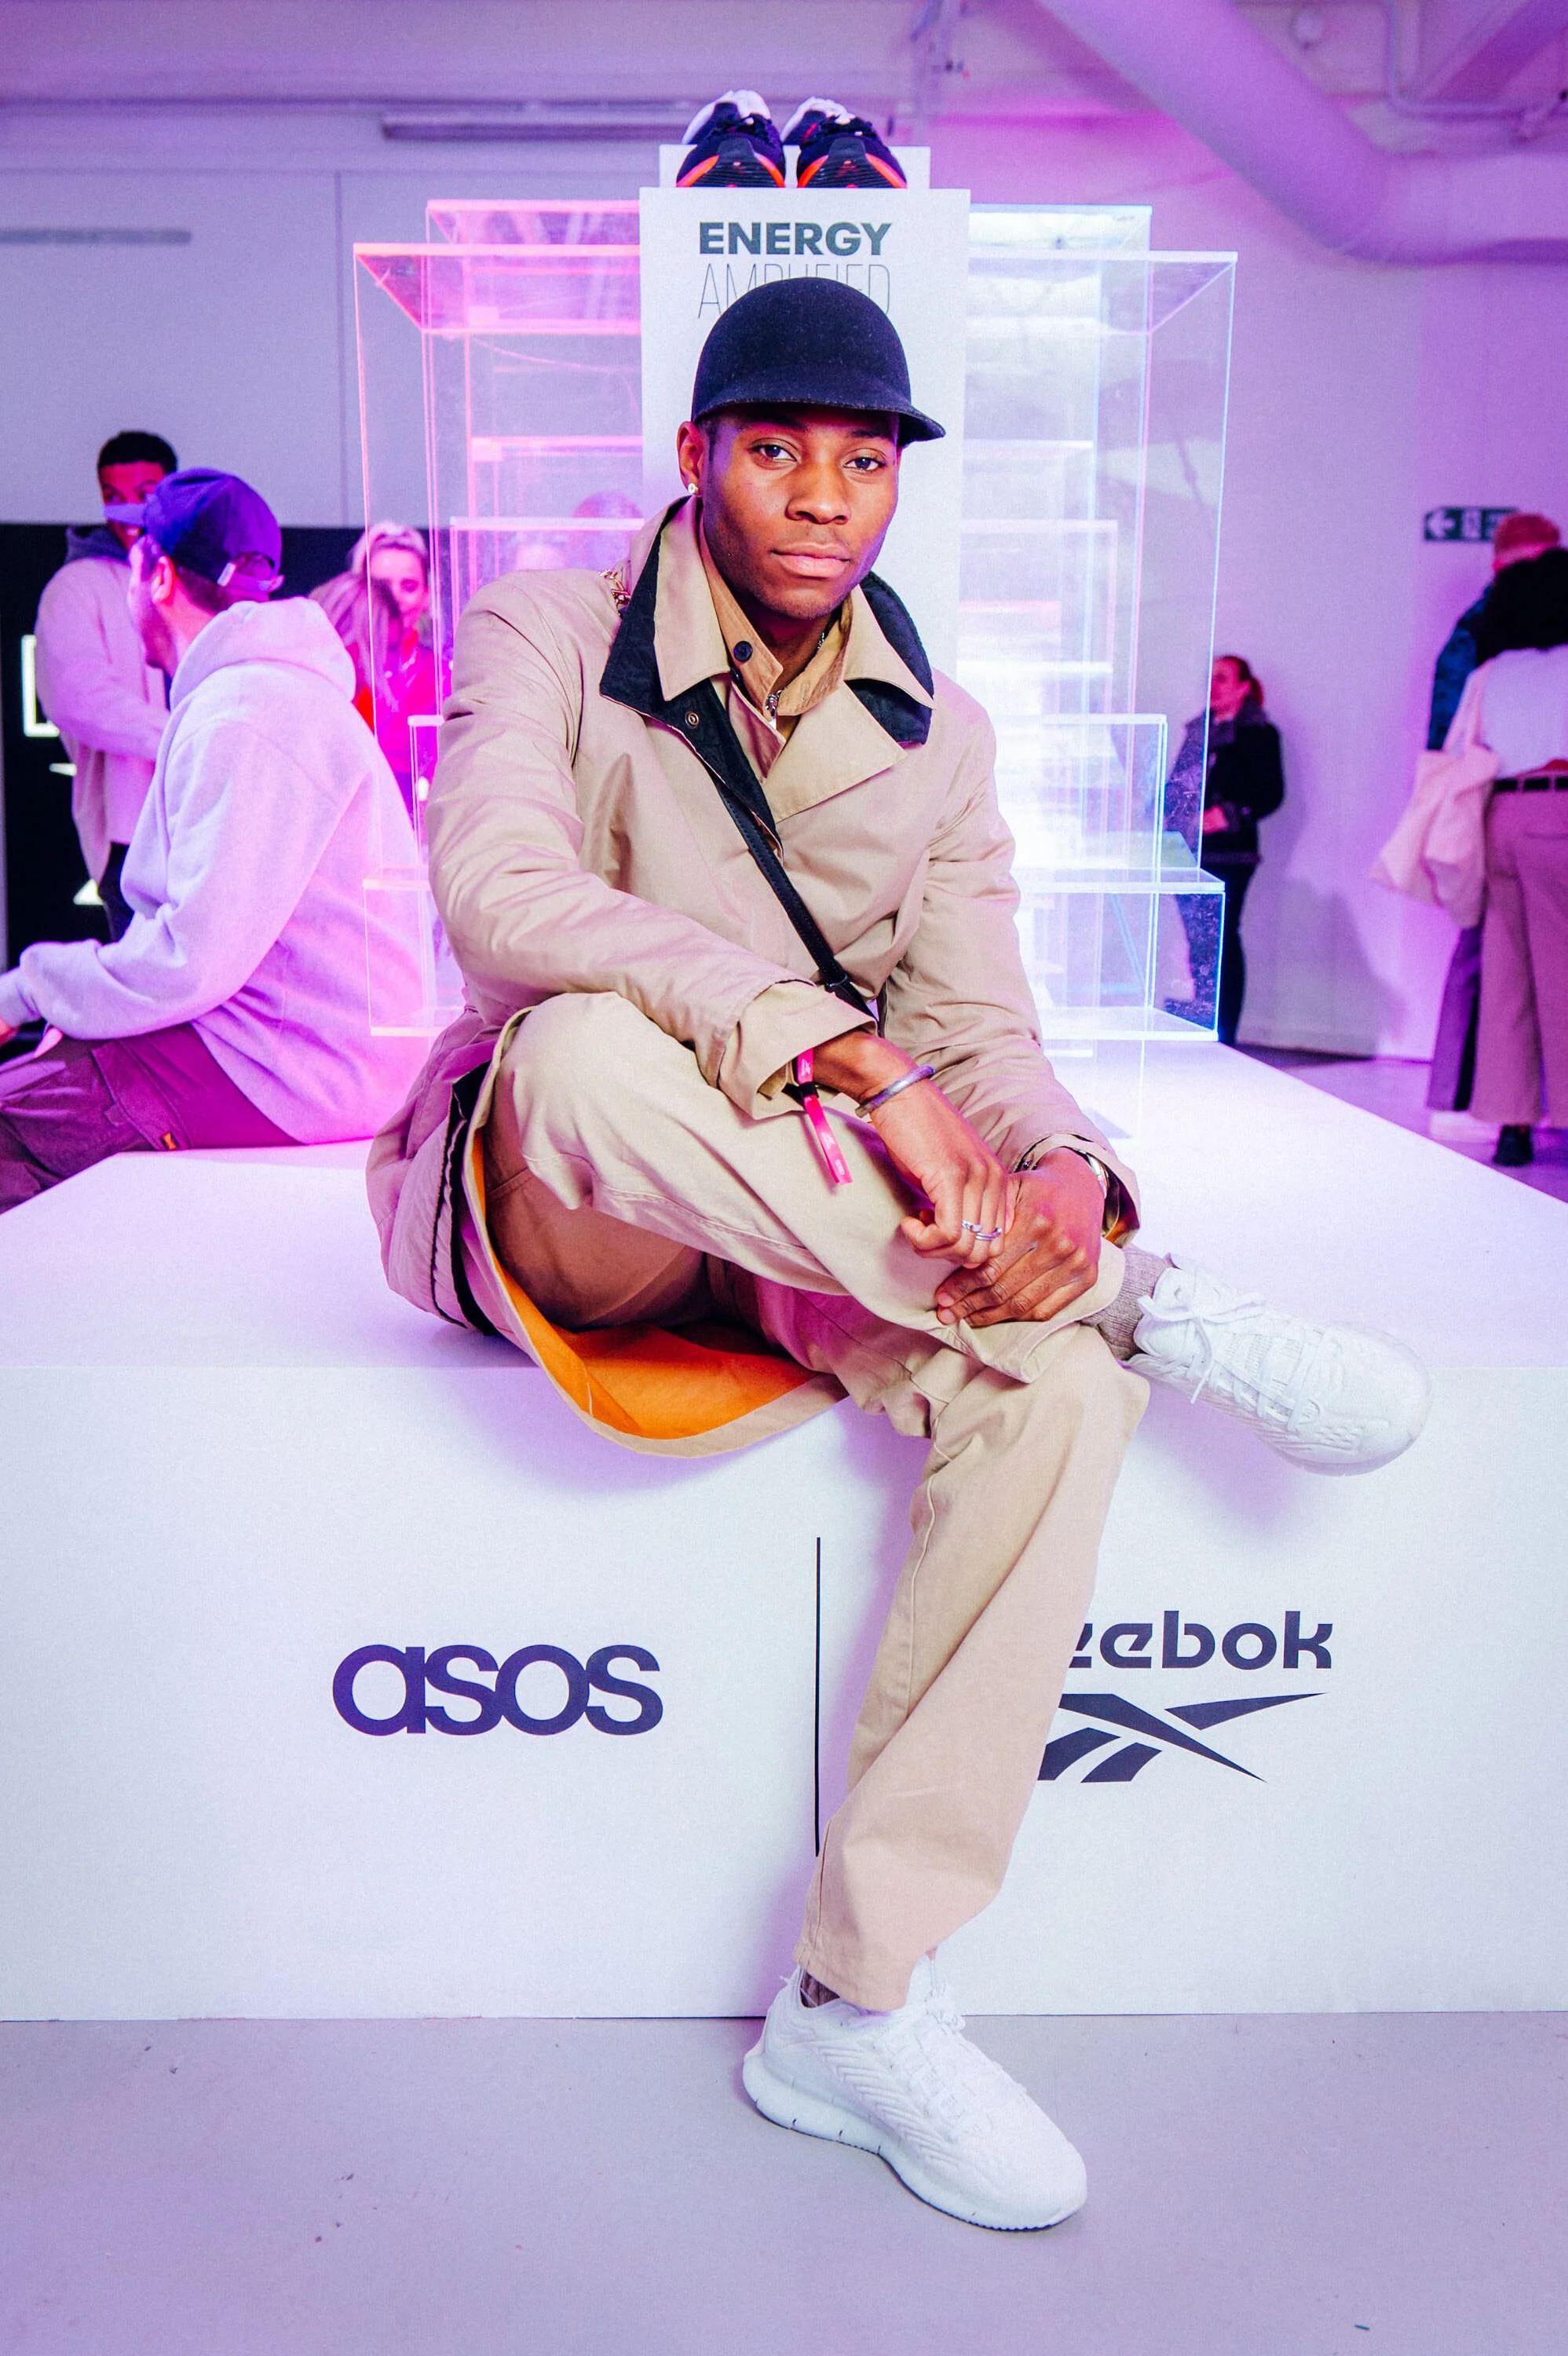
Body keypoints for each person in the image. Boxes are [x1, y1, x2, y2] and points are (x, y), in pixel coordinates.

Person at [369, 281, 1429, 2233]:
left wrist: (1069, 1185)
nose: (822, 497)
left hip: (801, 1222)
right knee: (592, 1045)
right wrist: (830, 1042)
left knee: (1056, 1380)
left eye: (864, 459)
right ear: (693, 458)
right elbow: (501, 896)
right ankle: (1167, 1301)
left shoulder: (941, 731)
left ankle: (859, 2001)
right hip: (577, 1198)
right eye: (776, 448)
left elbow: (990, 1029)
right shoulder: (548, 626)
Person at [0, 470, 428, 1210]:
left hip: (296, 1072)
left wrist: (31, 988)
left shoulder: (247, 710)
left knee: (13, 1115)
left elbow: (188, 965)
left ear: (157, 574)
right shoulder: (256, 695)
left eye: (133, 558)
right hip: (296, 1056)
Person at [1425, 511, 1562, 1116]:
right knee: (1556, 970)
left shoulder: (1486, 665)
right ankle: (1559, 1111)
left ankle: (1506, 1117)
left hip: (1495, 814)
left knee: (1502, 972)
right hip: (1555, 810)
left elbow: (1455, 747)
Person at [31, 430, 178, 938]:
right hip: (131, 829)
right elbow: (79, 698)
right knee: (145, 988)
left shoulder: (193, 573)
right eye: (113, 497)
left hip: (212, 819)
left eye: (145, 494)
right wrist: (187, 739)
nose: (127, 512)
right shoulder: (78, 584)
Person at [1165, 655, 1284, 1044]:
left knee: (1222, 938)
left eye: (1223, 678)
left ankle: (1225, 1032)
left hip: (1231, 854)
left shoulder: (1260, 735)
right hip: (1188, 851)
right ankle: (1204, 1016)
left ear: (1244, 687)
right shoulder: (1198, 731)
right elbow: (1176, 785)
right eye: (1211, 678)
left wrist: (1229, 814)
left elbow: (1271, 794)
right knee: (1198, 940)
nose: (1214, 686)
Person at [312, 523, 439, 813]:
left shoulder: (443, 676)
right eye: (379, 587)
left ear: (427, 596)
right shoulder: (334, 675)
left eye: (409, 586)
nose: (394, 597)